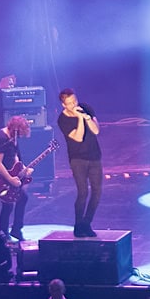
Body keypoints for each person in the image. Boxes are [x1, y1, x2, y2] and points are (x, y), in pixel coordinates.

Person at [56, 89, 101, 238]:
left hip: (94, 156)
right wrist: (80, 119)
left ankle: (86, 224)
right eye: (70, 103)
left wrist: (87, 117)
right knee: (83, 192)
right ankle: (78, 225)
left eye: (75, 101)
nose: (74, 105)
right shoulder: (62, 120)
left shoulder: (86, 107)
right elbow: (78, 137)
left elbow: (96, 131)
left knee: (97, 192)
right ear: (64, 105)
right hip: (77, 160)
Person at [0, 115, 33, 241]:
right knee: (7, 204)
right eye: (19, 133)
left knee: (22, 198)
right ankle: (3, 234)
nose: (20, 136)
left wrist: (23, 169)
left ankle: (16, 229)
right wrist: (10, 179)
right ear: (15, 129)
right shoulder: (0, 138)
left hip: (11, 173)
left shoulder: (12, 137)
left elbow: (14, 156)